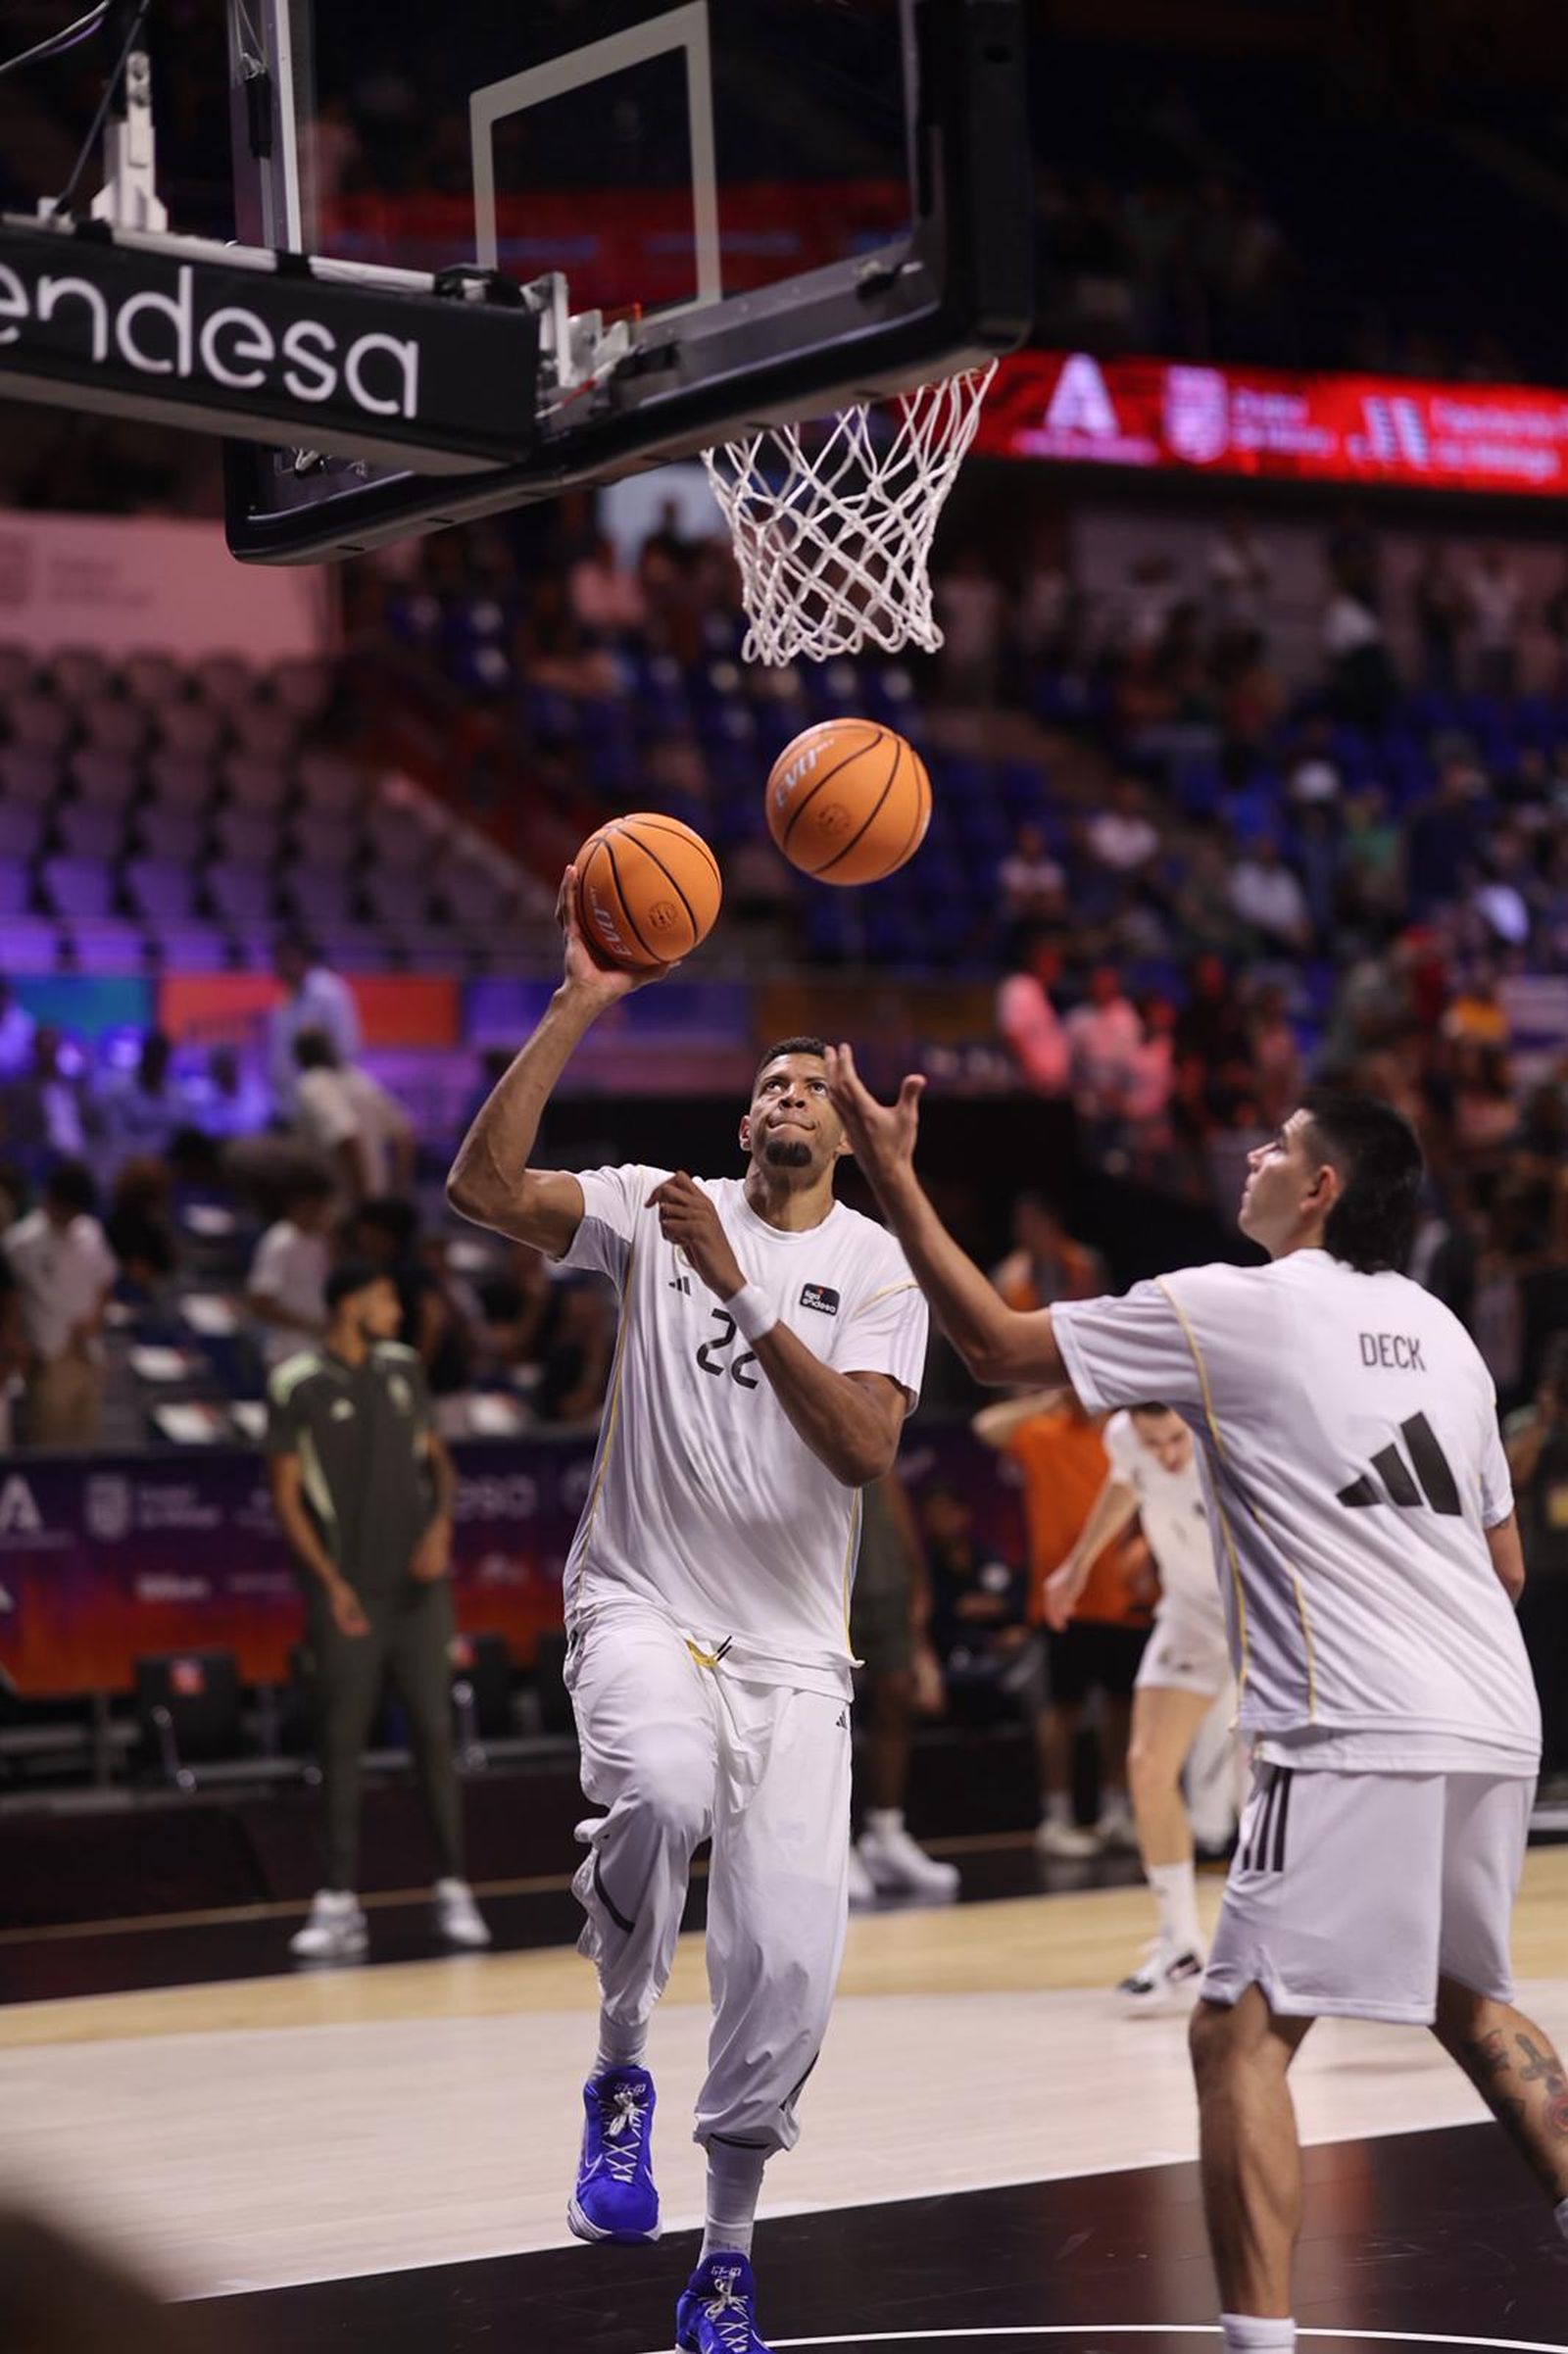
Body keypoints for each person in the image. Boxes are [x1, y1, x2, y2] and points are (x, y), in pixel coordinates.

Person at [823, 1056, 1567, 2350]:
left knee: (1236, 2037)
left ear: (1322, 1187)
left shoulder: (1237, 1303)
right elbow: (1506, 1562)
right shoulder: (1440, 1329)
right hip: (1496, 1709)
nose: (1251, 1160)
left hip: (1360, 1718)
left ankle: (1258, 2345)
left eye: (1275, 1147)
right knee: (1471, 1995)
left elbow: (998, 1346)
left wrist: (892, 1172)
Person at [445, 873, 928, 2354]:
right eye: (767, 1081)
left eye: (810, 1086)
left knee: (785, 1965)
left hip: (796, 1655)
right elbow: (479, 1187)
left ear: (844, 1135)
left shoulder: (878, 1267)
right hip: (646, 1600)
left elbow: (862, 1446)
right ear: (743, 1126)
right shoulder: (663, 1211)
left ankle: (723, 2255)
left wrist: (752, 1297)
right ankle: (616, 2069)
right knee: (652, 1789)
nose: (785, 1093)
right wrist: (578, 1004)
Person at [266, 1259, 490, 1963]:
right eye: (389, 1297)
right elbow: (286, 1497)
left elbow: (439, 1462)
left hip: (420, 1593)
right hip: (349, 1593)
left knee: (433, 1732)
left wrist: (442, 1526)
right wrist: (328, 1583)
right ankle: (337, 1903)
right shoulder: (295, 1384)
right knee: (342, 1741)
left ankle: (454, 1887)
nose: (397, 1310)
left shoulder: (403, 1369)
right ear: (353, 1303)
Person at [1043, 1402, 1236, 2005]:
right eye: (1155, 1442)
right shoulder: (1127, 1437)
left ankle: (1297, 1943)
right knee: (1148, 1767)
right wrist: (1077, 1566)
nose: (1168, 1455)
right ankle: (1180, 1941)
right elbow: (1124, 1483)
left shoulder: (1229, 1433)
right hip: (1189, 1615)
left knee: (1269, 1791)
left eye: (1177, 1439)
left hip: (1260, 1616)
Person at [973, 1386, 1145, 1856]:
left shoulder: (1126, 1435)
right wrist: (1045, 1399)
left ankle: (1116, 1811)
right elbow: (984, 1428)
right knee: (1061, 1710)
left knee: (1122, 1709)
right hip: (1063, 1600)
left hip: (1126, 1597)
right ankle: (1058, 1817)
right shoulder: (1043, 1431)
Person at [847, 1468, 956, 1904]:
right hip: (828, 1578)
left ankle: (886, 1833)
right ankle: (840, 1843)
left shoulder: (872, 1405)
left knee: (897, 1697)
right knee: (836, 1716)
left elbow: (885, 1479)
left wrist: (915, 1571)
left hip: (883, 1578)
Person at [3, 1161, 118, 1447]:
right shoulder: (20, 1242)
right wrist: (16, 1342)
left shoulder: (91, 1233)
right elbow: (9, 1297)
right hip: (47, 1354)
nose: (70, 1217)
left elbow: (106, 1278)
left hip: (87, 1353)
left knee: (86, 1445)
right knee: (49, 1448)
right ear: (50, 1199)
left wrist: (96, 1318)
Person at [1505, 1334, 1568, 1788]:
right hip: (1543, 1568)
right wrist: (1545, 1421)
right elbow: (1512, 1475)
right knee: (1544, 1671)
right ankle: (1547, 1768)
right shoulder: (1526, 1422)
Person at [292, 1028, 415, 1204]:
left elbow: (346, 1136)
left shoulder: (313, 1085)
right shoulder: (360, 1081)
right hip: (379, 1202)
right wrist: (397, 1190)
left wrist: (360, 1201)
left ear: (299, 1057)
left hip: (343, 1208)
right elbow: (405, 1135)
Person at [247, 1169, 335, 1369]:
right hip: (288, 1351)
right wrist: (311, 1325)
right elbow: (260, 1303)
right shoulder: (279, 1242)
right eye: (319, 1205)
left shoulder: (321, 1240)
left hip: (320, 1349)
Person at [268, 936, 361, 1114]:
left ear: (304, 958)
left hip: (325, 1104)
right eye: (277, 960)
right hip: (292, 1104)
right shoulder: (286, 999)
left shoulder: (329, 993)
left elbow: (346, 1048)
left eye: (287, 959)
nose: (281, 967)